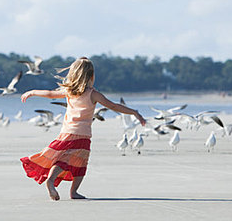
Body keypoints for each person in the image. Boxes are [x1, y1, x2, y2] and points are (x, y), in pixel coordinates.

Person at [20, 56, 146, 201]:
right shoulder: (93, 94)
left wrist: (32, 92)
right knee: (79, 163)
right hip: (82, 135)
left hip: (66, 132)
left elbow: (49, 94)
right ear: (91, 76)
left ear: (73, 74)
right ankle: (66, 188)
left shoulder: (69, 91)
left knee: (67, 160)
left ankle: (61, 185)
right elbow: (113, 106)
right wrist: (134, 112)